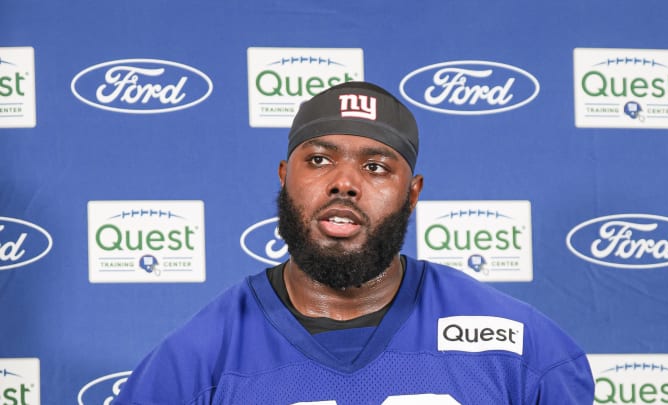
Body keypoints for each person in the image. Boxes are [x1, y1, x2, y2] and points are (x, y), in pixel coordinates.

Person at [112, 81, 595, 404]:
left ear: (413, 194)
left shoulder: (522, 349)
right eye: (319, 160)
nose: (344, 183)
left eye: (376, 167)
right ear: (285, 178)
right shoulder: (197, 360)